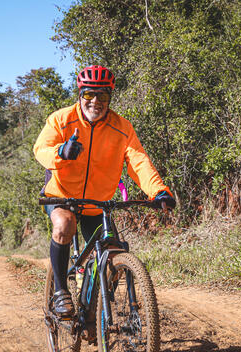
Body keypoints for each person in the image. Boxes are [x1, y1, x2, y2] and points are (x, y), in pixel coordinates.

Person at [33, 65, 175, 317]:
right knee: (64, 224)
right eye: (89, 95)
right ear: (80, 94)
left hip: (97, 202)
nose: (95, 102)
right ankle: (60, 291)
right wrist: (61, 152)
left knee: (113, 255)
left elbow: (138, 161)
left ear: (110, 98)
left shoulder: (121, 128)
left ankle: (91, 316)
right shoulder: (61, 120)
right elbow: (40, 149)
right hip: (62, 195)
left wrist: (159, 191)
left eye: (103, 96)